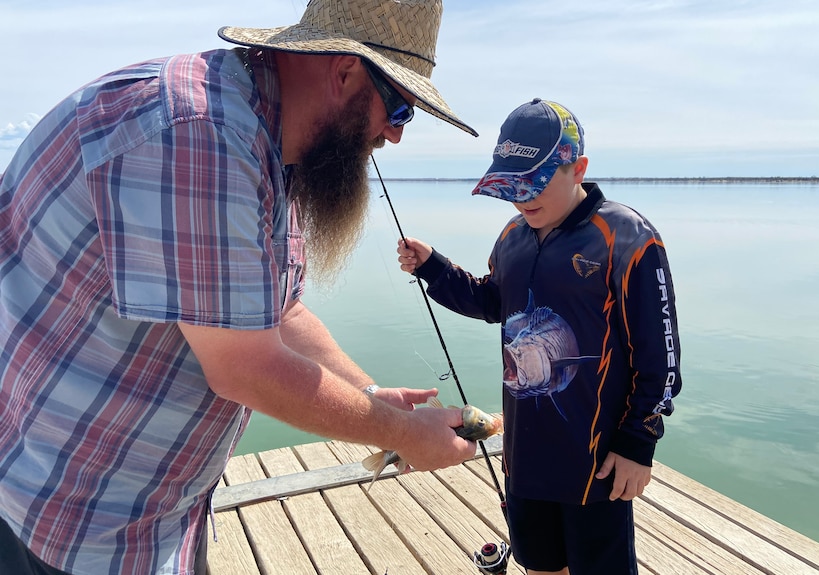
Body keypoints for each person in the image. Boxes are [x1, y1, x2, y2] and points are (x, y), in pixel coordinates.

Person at [0, 1, 481, 573]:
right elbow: (245, 367)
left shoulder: (273, 144)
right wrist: (406, 432)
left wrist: (368, 393)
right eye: (400, 107)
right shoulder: (199, 133)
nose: (395, 135)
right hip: (77, 520)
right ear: (346, 72)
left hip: (165, 515)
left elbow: (280, 311)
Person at [396, 98, 683, 575]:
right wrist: (434, 268)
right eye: (512, 183)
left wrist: (639, 443)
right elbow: (491, 302)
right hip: (524, 458)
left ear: (578, 168)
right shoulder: (512, 234)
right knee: (539, 565)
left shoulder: (628, 237)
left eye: (535, 181)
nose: (522, 196)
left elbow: (661, 360)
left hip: (597, 466)